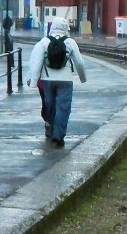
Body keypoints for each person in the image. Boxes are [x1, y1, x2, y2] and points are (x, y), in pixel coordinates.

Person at [27, 18, 87, 147]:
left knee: (50, 106)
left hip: (47, 79)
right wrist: (83, 78)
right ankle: (58, 135)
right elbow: (79, 62)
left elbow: (36, 62)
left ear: (52, 27)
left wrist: (32, 81)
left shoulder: (43, 42)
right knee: (63, 107)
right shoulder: (70, 42)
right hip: (66, 79)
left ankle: (52, 128)